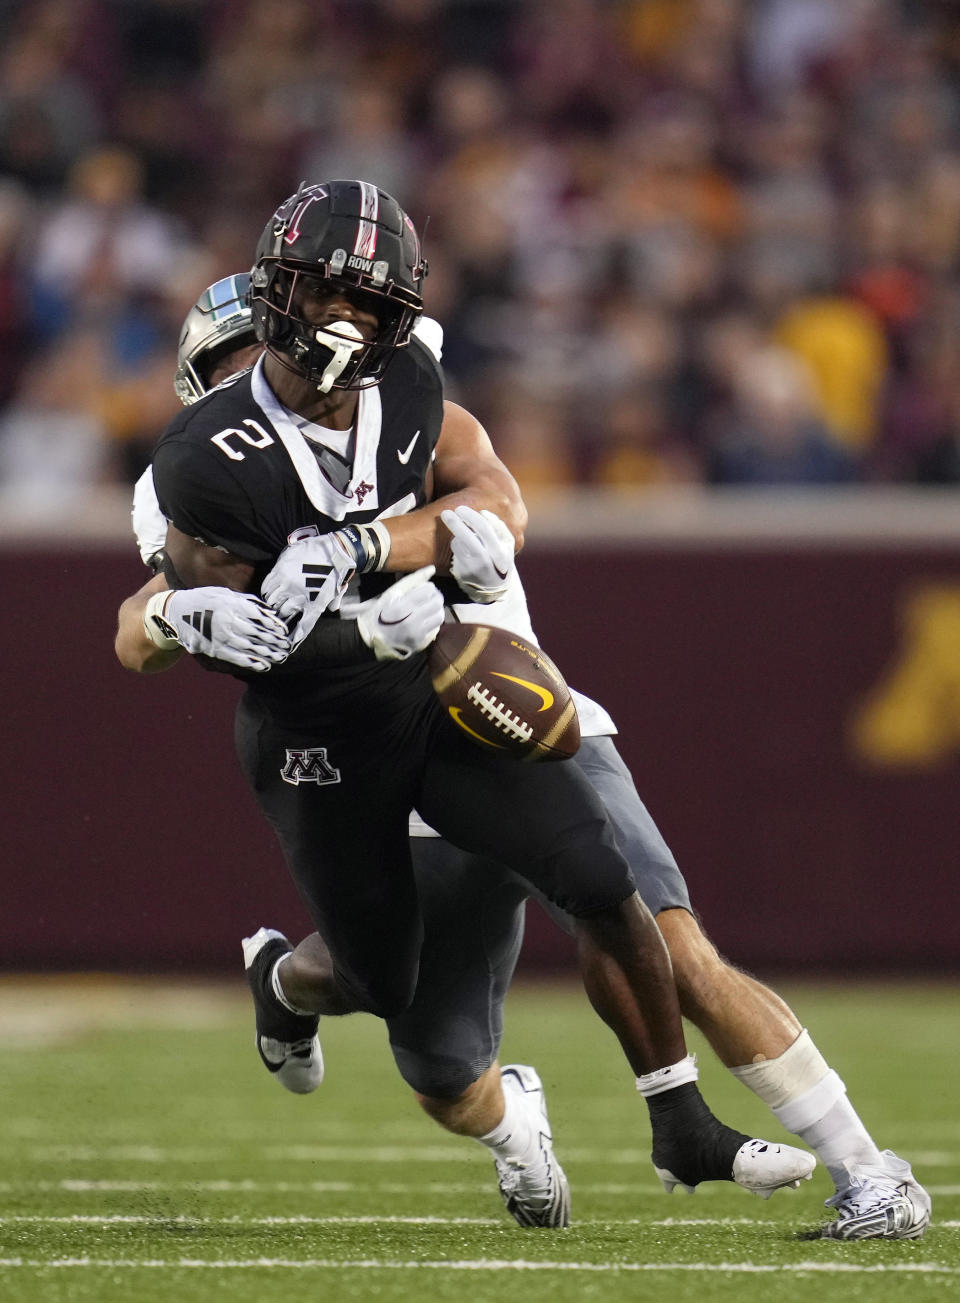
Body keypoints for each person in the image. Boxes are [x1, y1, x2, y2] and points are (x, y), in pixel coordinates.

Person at [117, 189, 928, 1241]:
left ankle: (863, 1170)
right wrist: (184, 613)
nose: (314, 354)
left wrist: (393, 546)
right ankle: (288, 981)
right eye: (229, 370)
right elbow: (143, 617)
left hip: (499, 702)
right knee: (435, 1057)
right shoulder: (190, 475)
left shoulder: (402, 390)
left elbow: (499, 496)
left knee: (662, 933)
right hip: (358, 740)